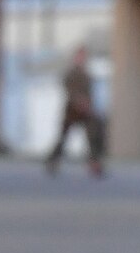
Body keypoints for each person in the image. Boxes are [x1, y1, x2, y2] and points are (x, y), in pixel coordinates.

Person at [44, 46, 106, 177]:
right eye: (80, 56)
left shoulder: (87, 74)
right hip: (71, 111)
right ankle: (52, 161)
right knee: (63, 138)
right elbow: (68, 90)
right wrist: (78, 101)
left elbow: (91, 93)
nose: (82, 59)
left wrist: (88, 105)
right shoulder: (70, 73)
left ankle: (95, 163)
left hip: (85, 111)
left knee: (93, 135)